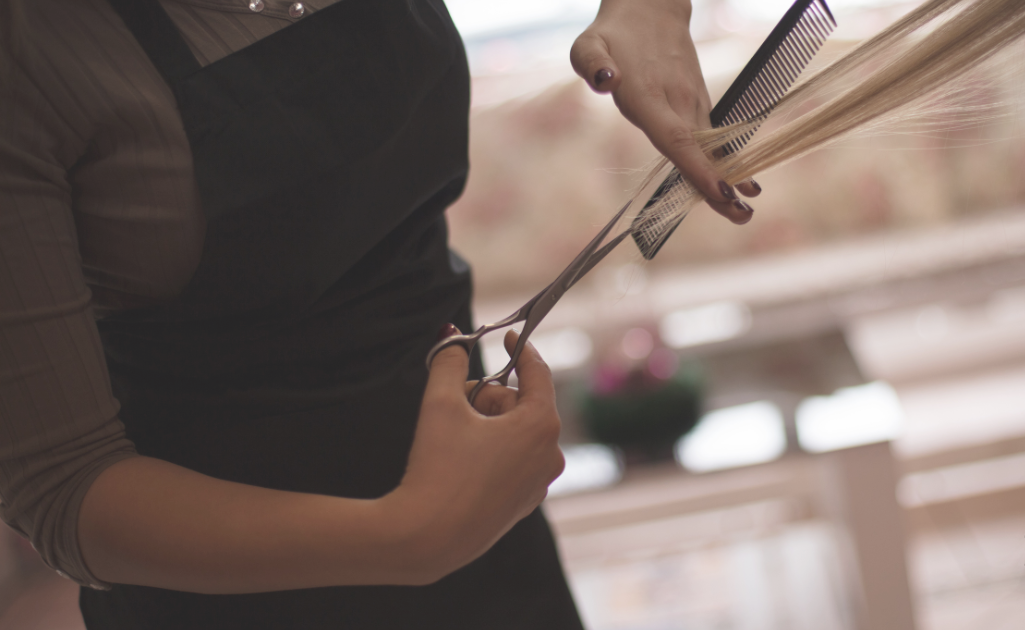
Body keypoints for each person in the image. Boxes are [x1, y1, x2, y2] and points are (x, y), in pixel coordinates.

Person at [0, 0, 759, 627]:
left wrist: (650, 13)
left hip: (486, 537)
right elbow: (64, 488)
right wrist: (410, 535)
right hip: (228, 593)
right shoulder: (31, 49)